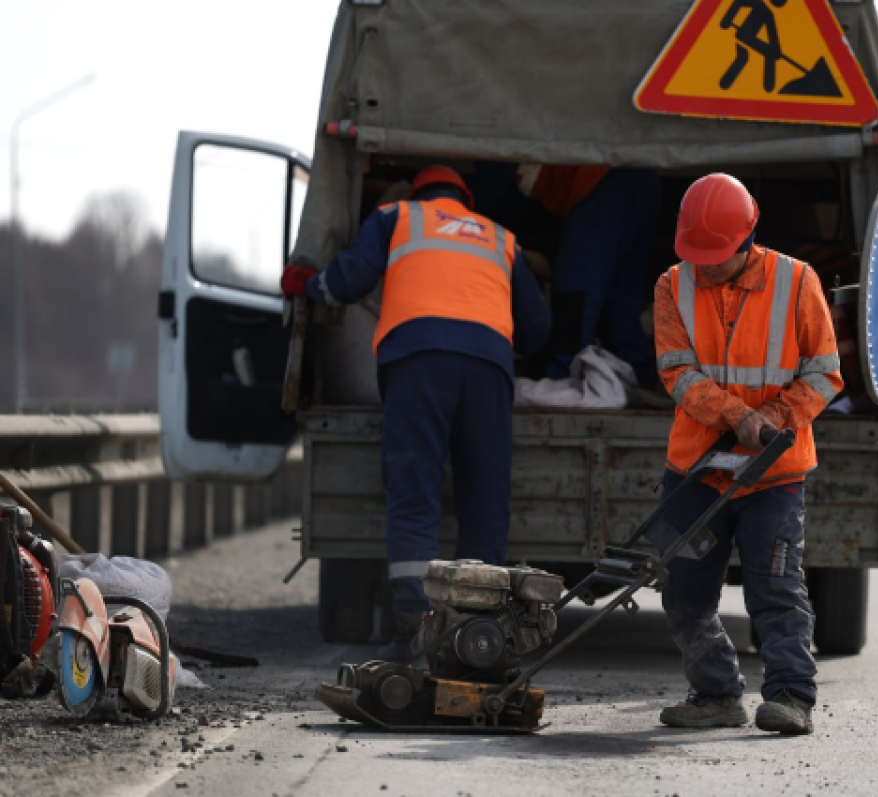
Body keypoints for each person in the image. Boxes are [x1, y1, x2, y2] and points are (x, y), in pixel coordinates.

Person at [281, 166, 551, 661]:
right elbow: (536, 329)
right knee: (484, 500)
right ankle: (479, 632)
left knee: (414, 493)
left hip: (417, 361)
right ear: (465, 199)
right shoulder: (500, 237)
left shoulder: (395, 217)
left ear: (417, 192)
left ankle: (414, 628)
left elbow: (348, 280)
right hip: (489, 368)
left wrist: (310, 285)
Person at [652, 173, 842, 736]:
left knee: (776, 590)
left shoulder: (797, 281)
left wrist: (776, 422)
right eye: (698, 257)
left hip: (774, 475)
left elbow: (825, 372)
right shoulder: (673, 285)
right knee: (684, 592)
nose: (705, 268)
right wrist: (738, 417)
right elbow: (676, 373)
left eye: (717, 258)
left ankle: (790, 697)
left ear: (746, 238)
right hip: (697, 469)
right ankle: (716, 694)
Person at [469, 163, 662, 391]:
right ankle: (645, 379)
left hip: (597, 181)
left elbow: (575, 292)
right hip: (638, 173)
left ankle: (560, 383)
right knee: (619, 304)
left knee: (576, 297)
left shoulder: (489, 167)